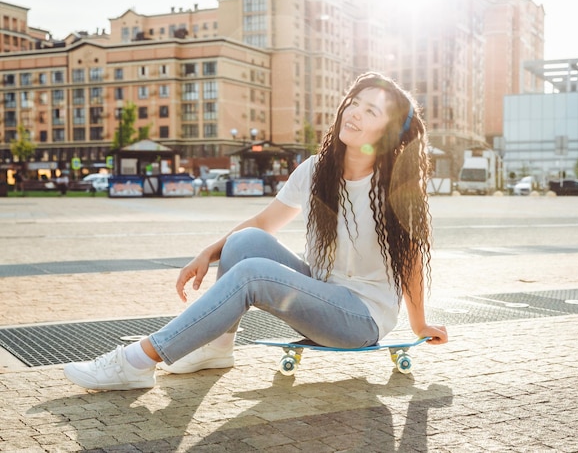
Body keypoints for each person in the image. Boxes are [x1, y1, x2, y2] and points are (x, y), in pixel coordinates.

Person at [63, 72, 448, 391]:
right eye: (354, 102)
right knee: (245, 242)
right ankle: (216, 347)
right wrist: (207, 253)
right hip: (321, 290)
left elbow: (410, 258)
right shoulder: (316, 170)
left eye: (371, 111)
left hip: (360, 318)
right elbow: (264, 223)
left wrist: (418, 324)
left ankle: (136, 361)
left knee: (253, 275)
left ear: (388, 130)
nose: (355, 113)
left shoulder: (398, 186)